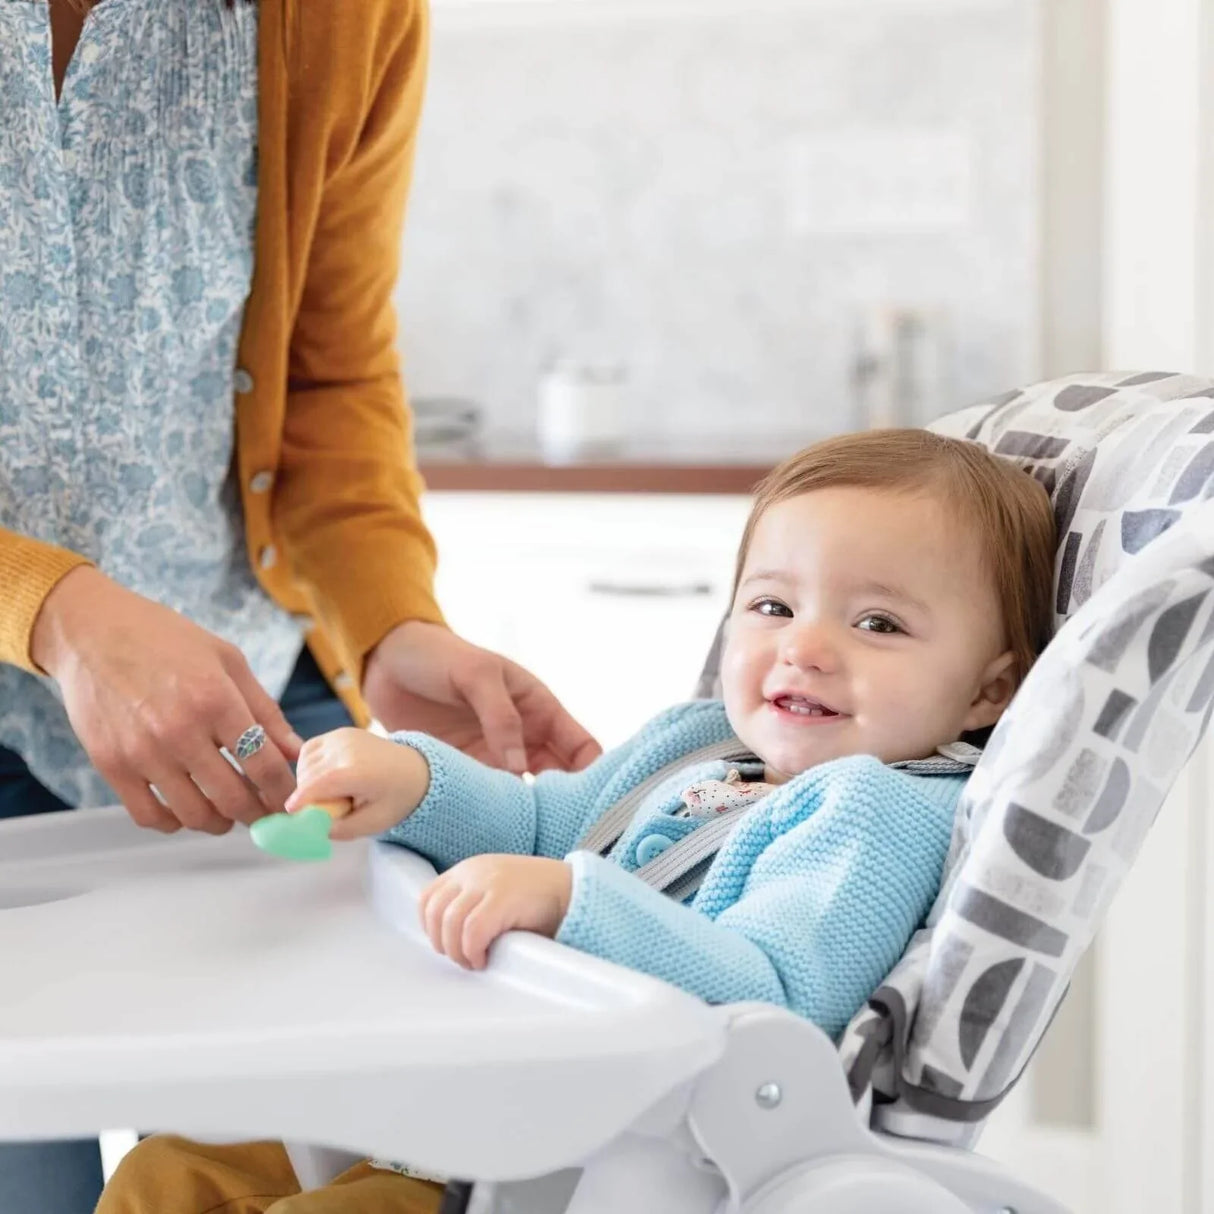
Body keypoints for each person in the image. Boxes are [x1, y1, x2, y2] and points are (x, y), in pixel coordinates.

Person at [96, 429, 1058, 1214]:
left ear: (990, 689)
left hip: (566, 1161)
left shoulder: (876, 812)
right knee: (166, 1172)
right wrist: (416, 781)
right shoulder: (698, 742)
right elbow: (542, 820)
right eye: (771, 605)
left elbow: (778, 999)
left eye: (877, 623)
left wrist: (569, 904)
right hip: (458, 1087)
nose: (802, 648)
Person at [0, 1, 597, 1210]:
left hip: (249, 706)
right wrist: (54, 610)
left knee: (305, 1154)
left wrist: (391, 623)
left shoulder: (344, 14)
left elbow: (329, 373)